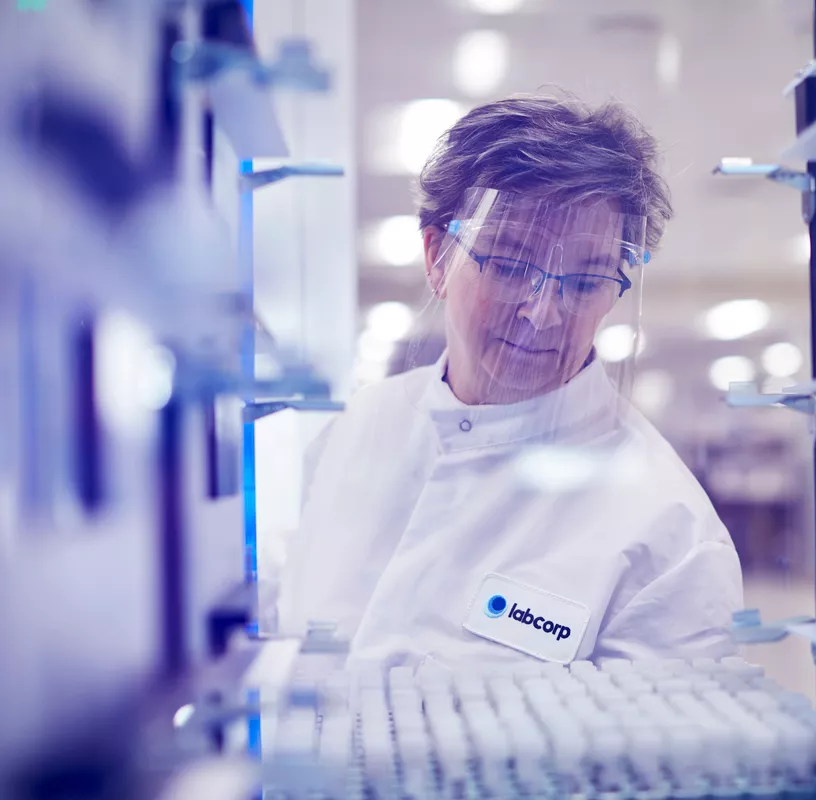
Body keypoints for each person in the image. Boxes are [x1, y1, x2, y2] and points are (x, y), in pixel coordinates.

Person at [277, 94, 744, 668]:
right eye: (509, 264)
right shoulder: (356, 429)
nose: (543, 312)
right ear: (437, 256)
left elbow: (659, 751)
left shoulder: (670, 532)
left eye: (585, 279)